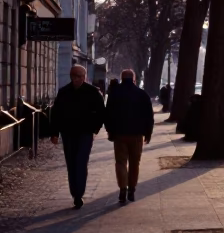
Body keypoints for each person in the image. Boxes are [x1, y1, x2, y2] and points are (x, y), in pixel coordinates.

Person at [49, 65, 106, 209]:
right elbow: (56, 114)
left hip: (85, 133)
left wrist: (95, 129)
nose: (76, 79)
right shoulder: (64, 92)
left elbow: (101, 112)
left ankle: (78, 193)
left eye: (79, 76)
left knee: (81, 161)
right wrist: (55, 133)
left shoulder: (93, 92)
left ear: (84, 77)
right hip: (68, 133)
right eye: (74, 76)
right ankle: (74, 192)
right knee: (71, 162)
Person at [105, 69, 155, 204]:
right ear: (134, 79)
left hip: (120, 134)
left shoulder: (115, 93)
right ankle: (132, 189)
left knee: (120, 162)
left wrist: (109, 130)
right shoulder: (142, 94)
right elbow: (149, 116)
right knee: (134, 163)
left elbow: (108, 113)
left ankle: (122, 188)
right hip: (137, 134)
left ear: (122, 78)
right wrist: (148, 133)